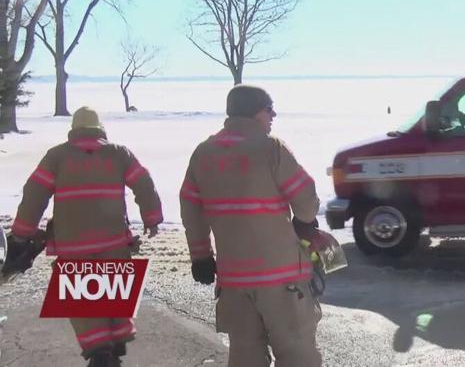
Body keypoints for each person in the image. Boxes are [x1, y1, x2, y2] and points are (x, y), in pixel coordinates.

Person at [7, 107, 163, 366]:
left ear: (73, 130)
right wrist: (152, 218)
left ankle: (99, 351)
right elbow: (143, 183)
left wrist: (23, 232)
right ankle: (116, 340)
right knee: (112, 285)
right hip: (113, 238)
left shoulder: (56, 156)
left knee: (83, 297)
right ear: (100, 129)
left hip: (73, 242)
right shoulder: (118, 154)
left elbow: (34, 194)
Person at [180, 85, 323, 367]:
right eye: (270, 109)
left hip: (234, 280)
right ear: (256, 112)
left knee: (245, 353)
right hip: (281, 279)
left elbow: (190, 209)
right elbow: (306, 198)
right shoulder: (271, 149)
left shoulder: (203, 153)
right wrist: (305, 222)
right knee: (296, 351)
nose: (273, 115)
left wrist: (201, 256)